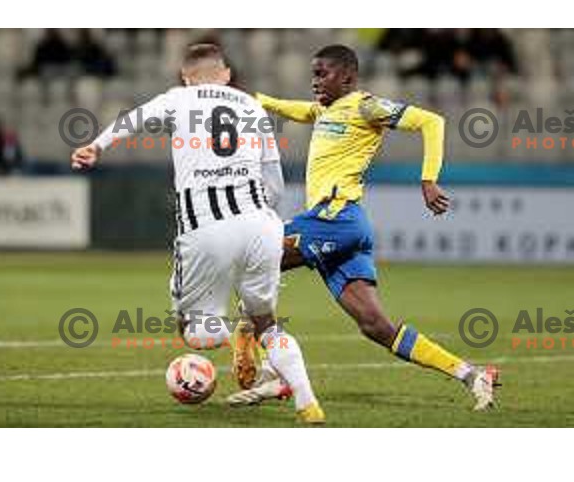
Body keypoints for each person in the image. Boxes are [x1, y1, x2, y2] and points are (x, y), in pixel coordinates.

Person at [228, 44, 499, 411]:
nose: (315, 81)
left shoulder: (365, 105)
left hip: (334, 218)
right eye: (313, 74)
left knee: (253, 256)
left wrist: (428, 179)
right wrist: (253, 99)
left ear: (348, 77)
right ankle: (471, 374)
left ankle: (273, 371)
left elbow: (432, 122)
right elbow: (295, 109)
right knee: (376, 326)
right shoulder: (326, 110)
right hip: (343, 229)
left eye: (323, 74)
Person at [70, 43, 324, 424]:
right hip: (260, 223)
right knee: (267, 322)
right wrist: (266, 223)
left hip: (205, 227)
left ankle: (226, 338)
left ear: (186, 76)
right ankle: (308, 403)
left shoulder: (179, 98)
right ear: (226, 74)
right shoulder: (252, 107)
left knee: (191, 330)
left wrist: (95, 145)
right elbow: (274, 181)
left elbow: (133, 120)